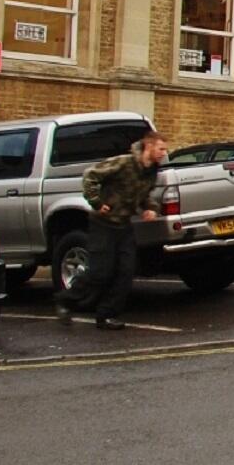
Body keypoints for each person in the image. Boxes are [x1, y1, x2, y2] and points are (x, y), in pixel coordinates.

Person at [57, 131, 168, 330]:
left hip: (124, 225)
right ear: (149, 146)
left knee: (126, 271)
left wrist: (151, 208)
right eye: (161, 148)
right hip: (103, 223)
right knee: (101, 272)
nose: (163, 153)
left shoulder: (151, 171)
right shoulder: (124, 163)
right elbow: (90, 175)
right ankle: (66, 301)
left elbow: (144, 196)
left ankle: (107, 315)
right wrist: (97, 202)